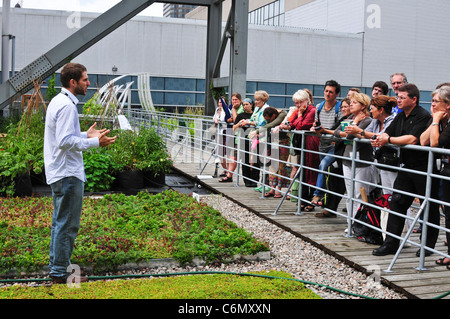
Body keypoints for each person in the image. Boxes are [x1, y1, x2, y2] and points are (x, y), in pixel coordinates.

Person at [44, 63, 117, 283]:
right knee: (67, 224)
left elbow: (65, 135)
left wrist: (86, 135)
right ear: (73, 82)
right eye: (85, 80)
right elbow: (65, 141)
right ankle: (60, 273)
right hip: (68, 174)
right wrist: (95, 142)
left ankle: (59, 268)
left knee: (61, 222)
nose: (88, 83)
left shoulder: (59, 101)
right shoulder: (67, 106)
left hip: (61, 172)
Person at [371, 84, 441, 257]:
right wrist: (381, 139)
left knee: (429, 208)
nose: (398, 100)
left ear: (414, 99)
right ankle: (391, 244)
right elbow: (387, 133)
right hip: (406, 167)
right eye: (398, 96)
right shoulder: (400, 116)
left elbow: (412, 139)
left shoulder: (423, 116)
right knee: (397, 203)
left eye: (402, 97)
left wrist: (388, 139)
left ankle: (427, 246)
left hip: (424, 169)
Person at [345, 95, 397, 232]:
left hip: (394, 164)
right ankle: (387, 232)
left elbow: (381, 137)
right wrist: (358, 129)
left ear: (380, 110)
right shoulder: (375, 121)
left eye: (372, 108)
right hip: (382, 162)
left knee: (397, 199)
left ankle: (401, 234)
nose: (370, 110)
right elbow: (366, 135)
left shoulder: (392, 120)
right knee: (387, 198)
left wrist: (359, 130)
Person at [420, 85, 450, 267]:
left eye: (436, 102)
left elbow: (435, 144)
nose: (432, 105)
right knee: (448, 214)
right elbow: (424, 141)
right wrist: (435, 120)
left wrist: (436, 120)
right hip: (446, 172)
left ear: (447, 104)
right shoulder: (440, 120)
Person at [334, 93, 374, 218]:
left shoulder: (368, 120)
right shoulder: (349, 118)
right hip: (347, 159)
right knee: (350, 194)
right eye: (351, 102)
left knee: (360, 194)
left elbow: (350, 135)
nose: (351, 104)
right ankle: (350, 222)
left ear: (363, 106)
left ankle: (359, 222)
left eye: (354, 102)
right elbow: (336, 131)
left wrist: (355, 123)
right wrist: (350, 128)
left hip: (361, 161)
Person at [279, 90, 319, 211]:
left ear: (307, 100)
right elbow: (291, 122)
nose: (298, 105)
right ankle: (303, 198)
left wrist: (299, 117)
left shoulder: (311, 111)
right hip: (301, 144)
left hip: (311, 145)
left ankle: (311, 200)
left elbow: (301, 125)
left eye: (300, 102)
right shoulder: (299, 110)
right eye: (296, 103)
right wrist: (296, 121)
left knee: (311, 172)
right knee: (302, 173)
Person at [314, 98, 351, 218]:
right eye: (343, 107)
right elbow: (335, 130)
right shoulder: (345, 119)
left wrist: (327, 132)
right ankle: (330, 208)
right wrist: (323, 130)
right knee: (334, 178)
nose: (343, 109)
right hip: (341, 154)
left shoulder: (361, 119)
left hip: (352, 157)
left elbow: (344, 134)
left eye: (347, 106)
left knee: (325, 166)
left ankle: (355, 219)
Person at [310, 80, 342, 207]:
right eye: (326, 91)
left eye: (331, 92)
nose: (328, 94)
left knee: (323, 166)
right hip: (322, 143)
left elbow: (340, 128)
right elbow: (316, 122)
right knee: (325, 170)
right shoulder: (319, 106)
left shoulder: (339, 108)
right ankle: (325, 198)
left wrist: (324, 131)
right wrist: (315, 128)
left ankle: (317, 193)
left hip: (334, 144)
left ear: (336, 94)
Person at [252, 107, 289, 198]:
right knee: (272, 166)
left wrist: (257, 131)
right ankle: (272, 189)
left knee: (281, 167)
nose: (268, 121)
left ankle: (278, 191)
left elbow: (272, 125)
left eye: (269, 119)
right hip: (273, 143)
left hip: (283, 143)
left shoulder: (282, 115)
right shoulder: (275, 116)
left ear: (273, 115)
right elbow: (269, 127)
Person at [240, 90, 271, 192]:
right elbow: (254, 119)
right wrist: (250, 121)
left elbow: (262, 122)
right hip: (255, 136)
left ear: (263, 100)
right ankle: (261, 183)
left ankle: (266, 184)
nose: (256, 102)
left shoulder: (266, 108)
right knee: (258, 159)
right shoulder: (257, 108)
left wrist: (249, 122)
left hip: (263, 136)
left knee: (263, 161)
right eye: (256, 100)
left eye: (258, 100)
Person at [219, 93, 244, 183]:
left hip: (238, 134)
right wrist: (227, 120)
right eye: (233, 100)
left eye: (236, 100)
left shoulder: (241, 108)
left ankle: (229, 175)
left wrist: (233, 110)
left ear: (240, 100)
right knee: (229, 155)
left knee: (234, 156)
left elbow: (236, 119)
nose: (234, 102)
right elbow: (226, 117)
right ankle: (229, 175)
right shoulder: (230, 106)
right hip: (229, 132)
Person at [234, 98, 257, 187]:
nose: (245, 106)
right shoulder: (240, 115)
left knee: (255, 160)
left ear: (251, 105)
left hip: (254, 139)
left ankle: (255, 180)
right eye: (243, 105)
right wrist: (239, 124)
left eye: (247, 104)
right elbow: (233, 128)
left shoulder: (255, 114)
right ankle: (247, 180)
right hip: (244, 139)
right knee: (245, 160)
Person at [213, 97, 234, 181]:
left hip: (227, 132)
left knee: (228, 153)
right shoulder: (218, 109)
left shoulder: (227, 110)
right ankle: (225, 170)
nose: (220, 104)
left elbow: (227, 119)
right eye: (219, 102)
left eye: (222, 103)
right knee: (219, 153)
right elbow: (214, 117)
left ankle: (228, 172)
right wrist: (215, 119)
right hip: (219, 133)